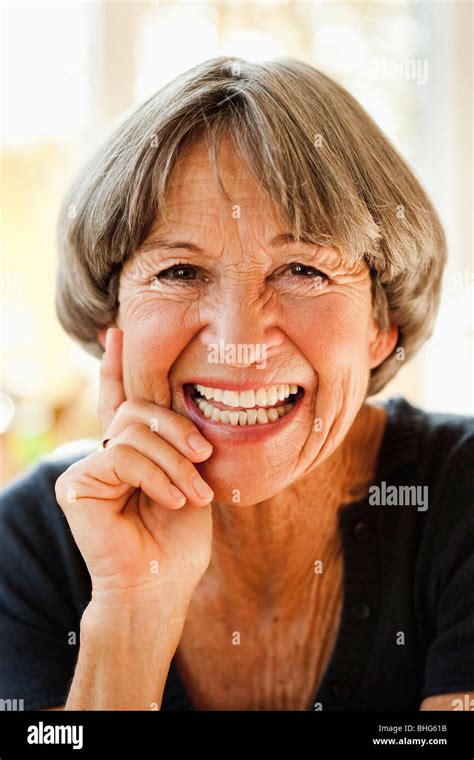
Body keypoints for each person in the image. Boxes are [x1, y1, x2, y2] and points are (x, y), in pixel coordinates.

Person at [0, 57, 473, 712]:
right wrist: (135, 610)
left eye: (303, 268)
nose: (237, 340)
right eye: (181, 272)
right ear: (115, 322)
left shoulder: (462, 501)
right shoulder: (29, 542)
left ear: (381, 325)